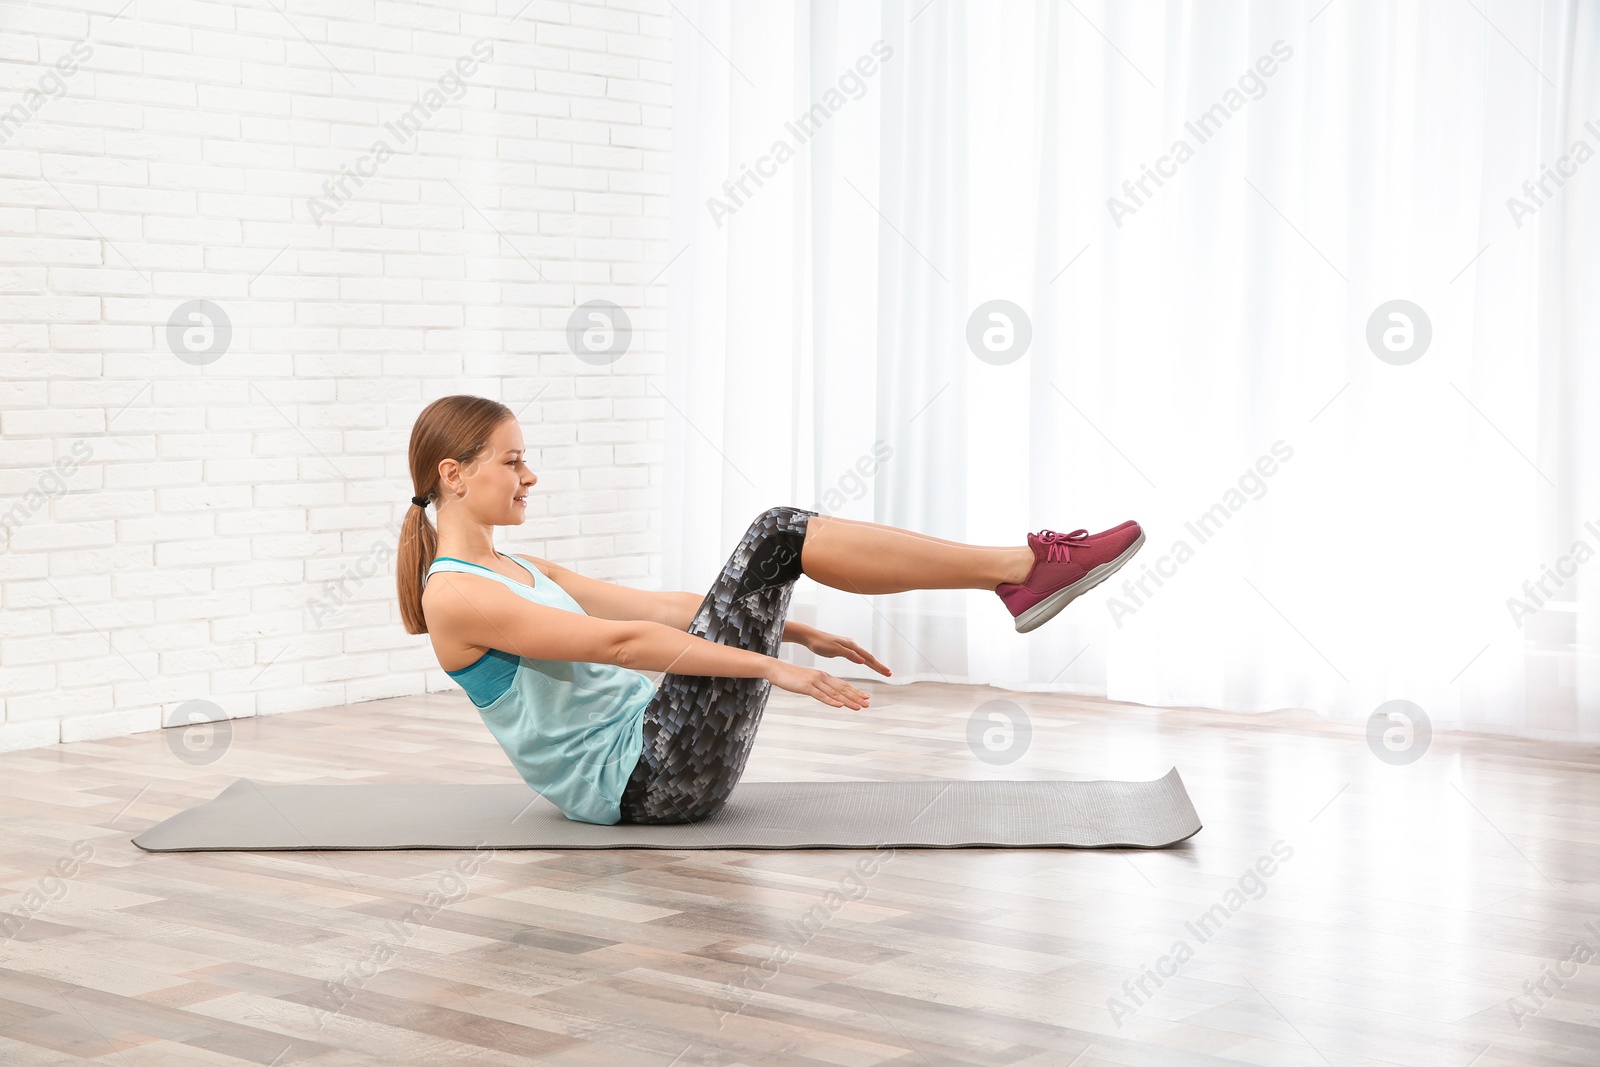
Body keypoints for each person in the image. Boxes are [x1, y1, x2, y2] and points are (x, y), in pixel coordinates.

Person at [397, 395, 1144, 825]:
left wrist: (794, 629)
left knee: (778, 537)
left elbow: (667, 606)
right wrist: (770, 667)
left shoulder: (518, 566)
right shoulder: (457, 594)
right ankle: (1019, 570)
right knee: (779, 531)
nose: (532, 473)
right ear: (454, 475)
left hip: (667, 752)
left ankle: (1017, 574)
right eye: (513, 459)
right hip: (647, 780)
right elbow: (622, 644)